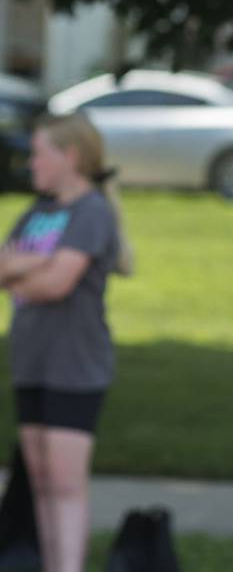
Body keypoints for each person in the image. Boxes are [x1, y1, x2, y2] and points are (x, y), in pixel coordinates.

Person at [0, 113, 131, 572]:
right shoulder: (39, 212)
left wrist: (24, 270)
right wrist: (33, 267)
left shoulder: (91, 210)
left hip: (74, 368)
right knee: (39, 480)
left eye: (39, 153)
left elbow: (56, 283)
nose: (31, 163)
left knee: (65, 483)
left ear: (69, 156)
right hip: (31, 362)